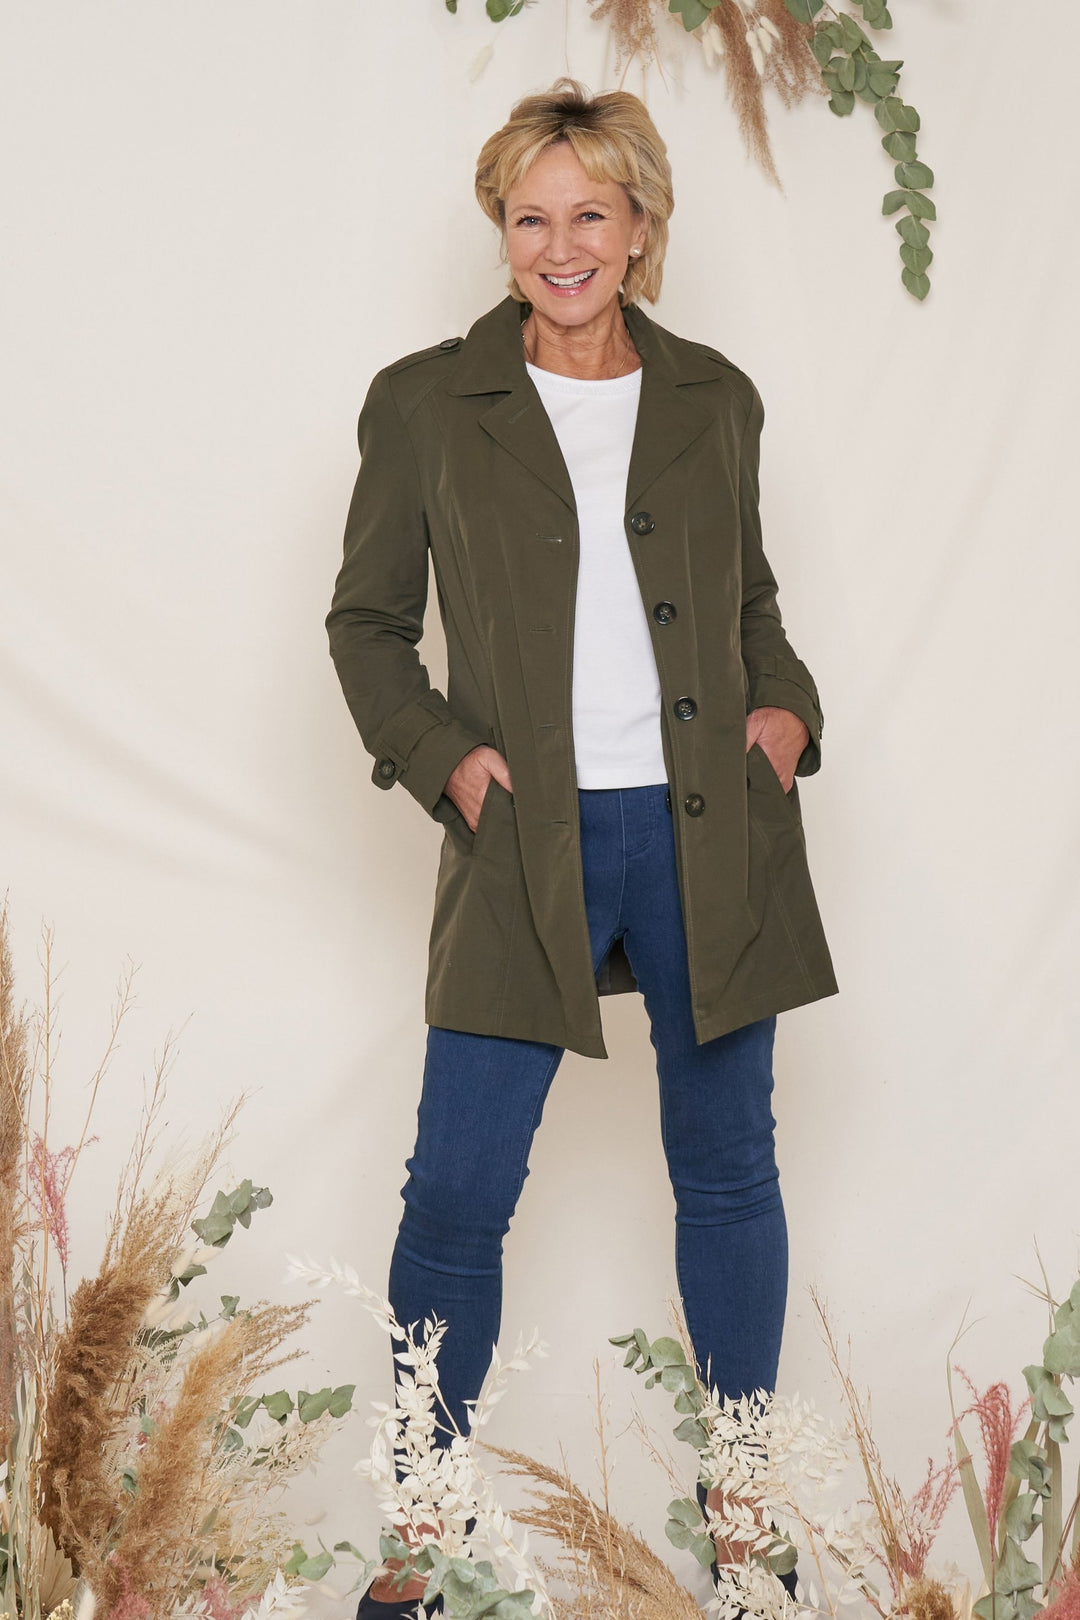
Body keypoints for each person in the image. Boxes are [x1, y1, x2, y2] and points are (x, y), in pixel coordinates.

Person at [326, 77, 837, 1615]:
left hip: (707, 831)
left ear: (641, 227)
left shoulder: (715, 399)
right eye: (530, 217)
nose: (561, 247)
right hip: (520, 839)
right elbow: (364, 624)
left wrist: (786, 714)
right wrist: (448, 764)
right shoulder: (427, 403)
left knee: (729, 1173)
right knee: (455, 1190)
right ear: (503, 232)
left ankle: (743, 1516)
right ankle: (421, 1527)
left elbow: (749, 601)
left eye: (590, 215)